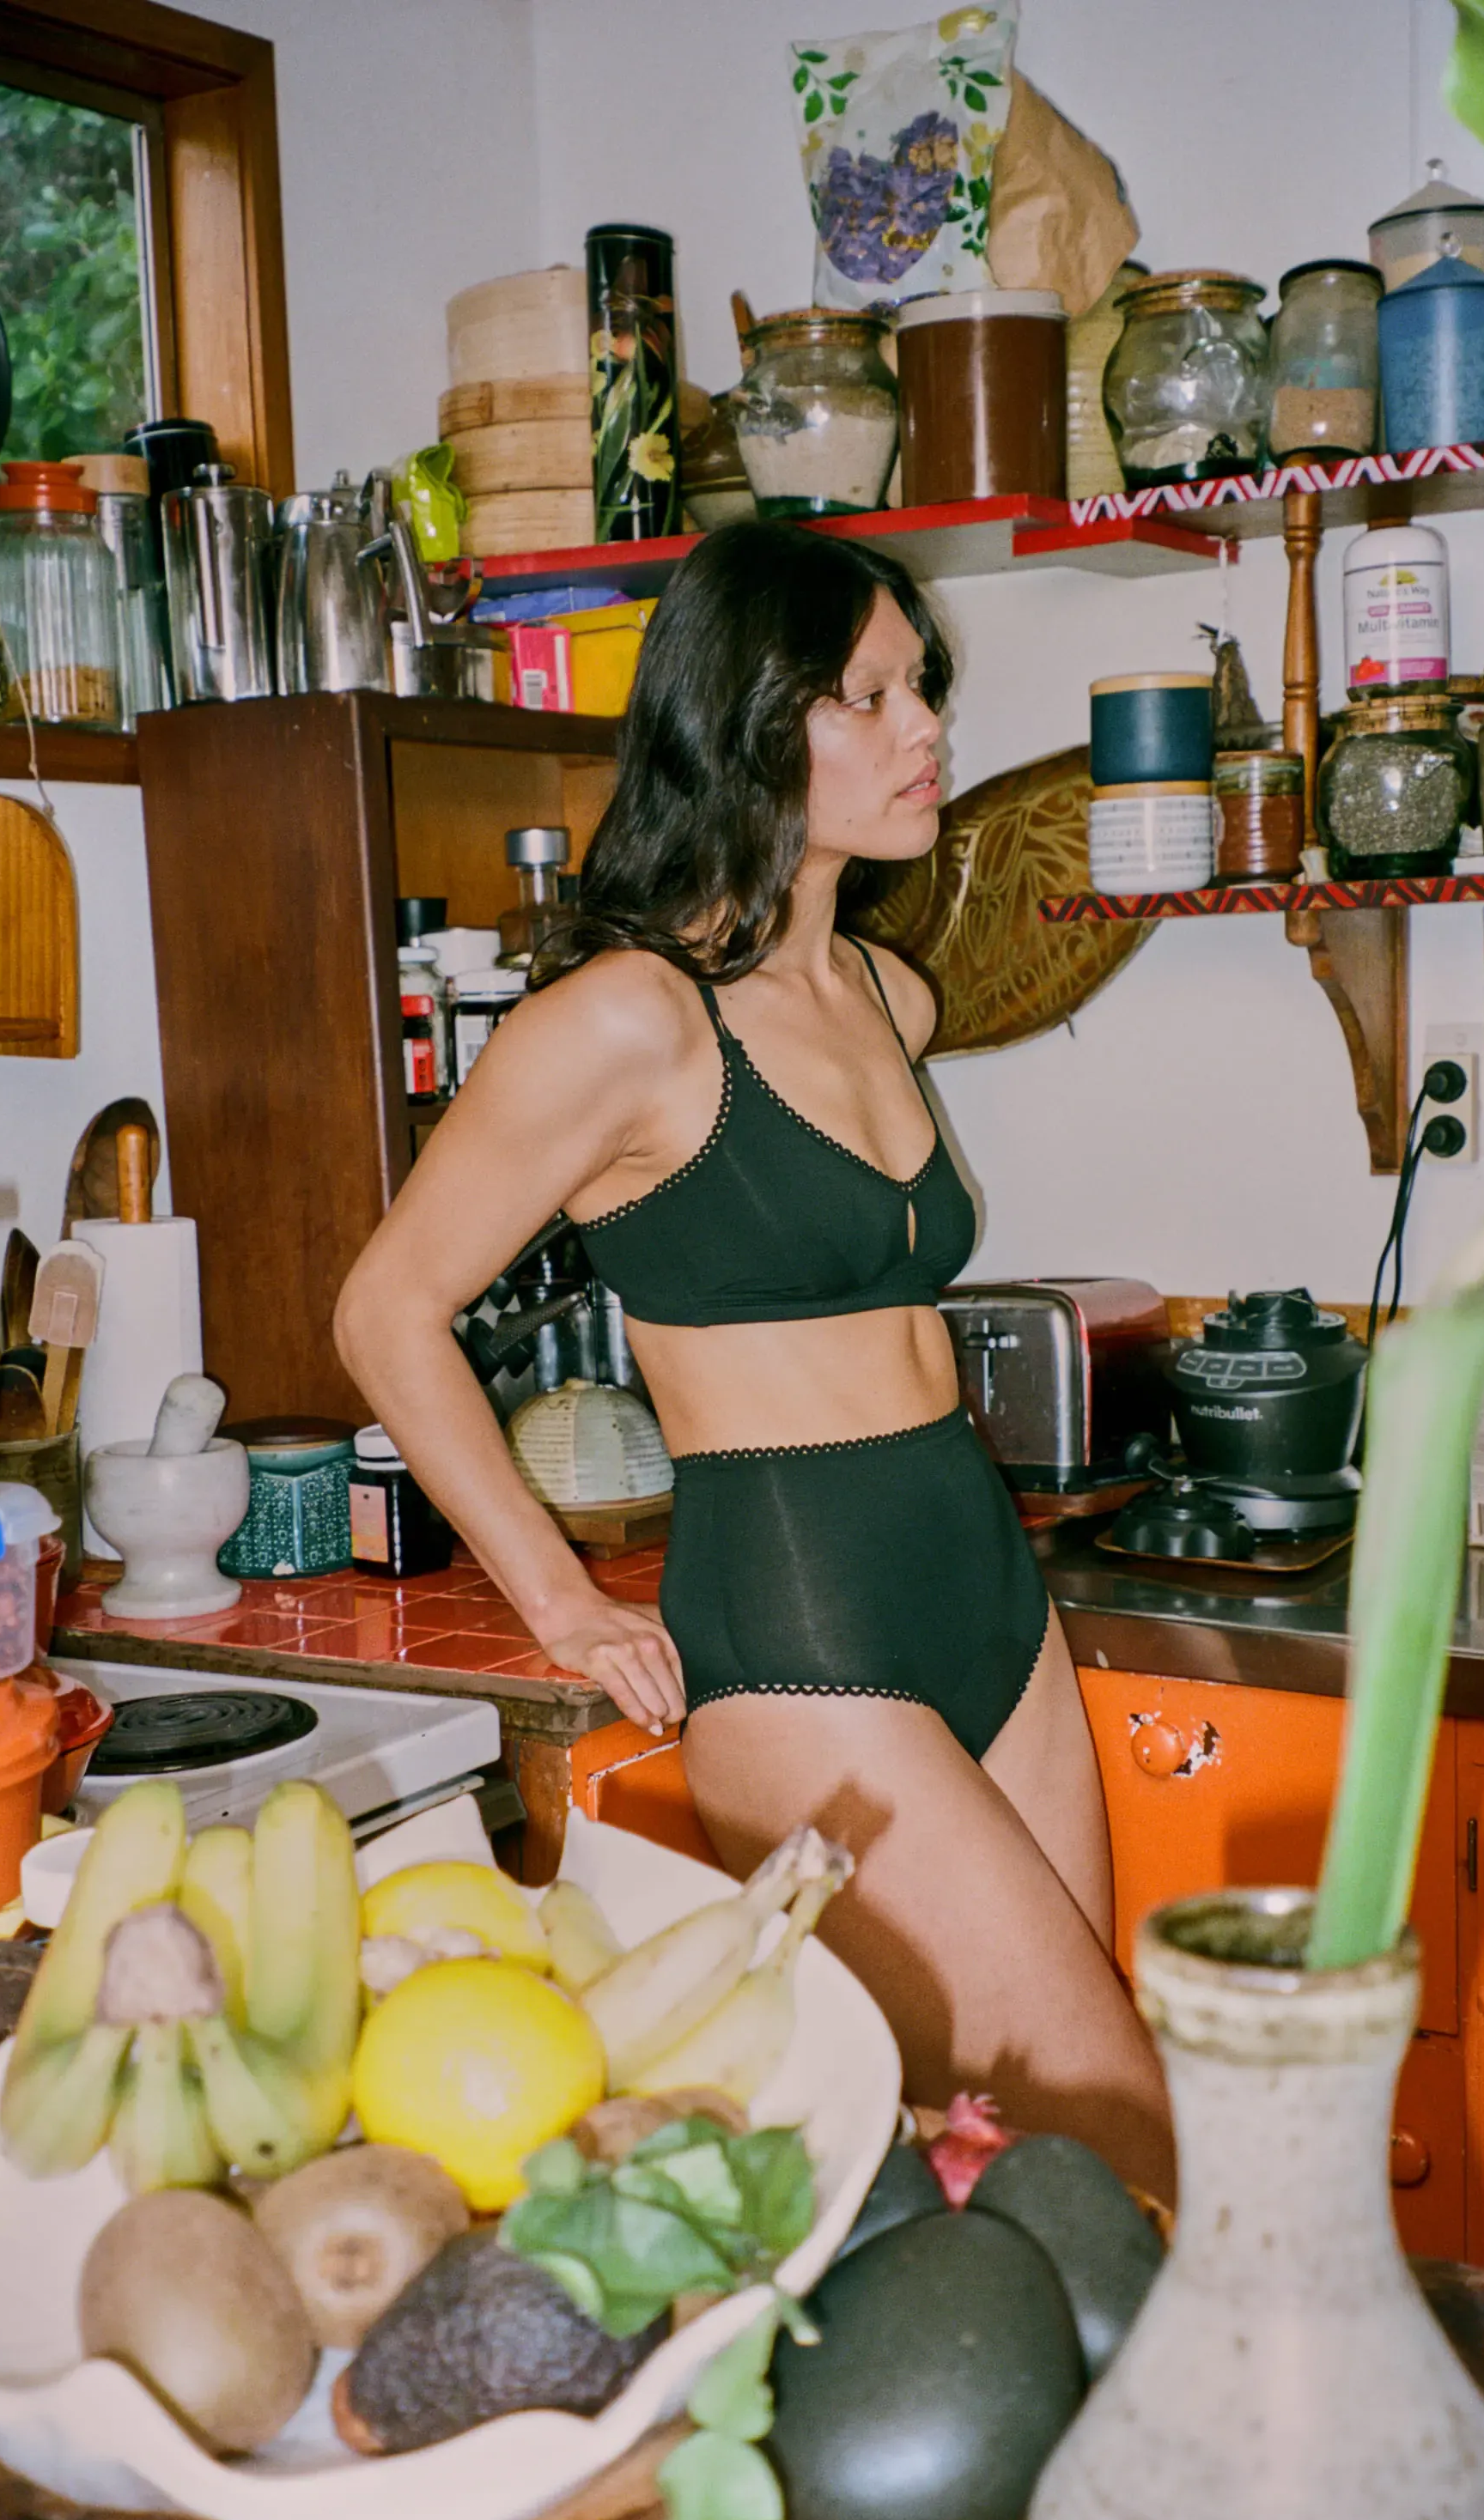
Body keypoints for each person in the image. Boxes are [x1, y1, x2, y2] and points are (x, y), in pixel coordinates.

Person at [334, 519, 1172, 2195]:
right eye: (871, 695)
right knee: (1120, 2137)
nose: (925, 727)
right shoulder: (629, 1020)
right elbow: (385, 1310)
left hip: (981, 1588)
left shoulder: (886, 993)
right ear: (748, 722)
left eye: (923, 687)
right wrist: (560, 1601)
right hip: (803, 1634)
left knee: (1020, 2165)